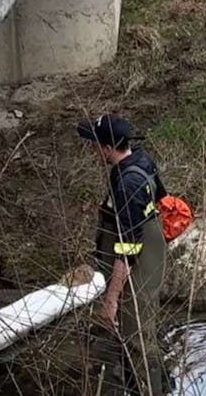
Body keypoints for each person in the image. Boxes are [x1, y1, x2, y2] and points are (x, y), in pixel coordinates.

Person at [79, 114, 168, 396]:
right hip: (150, 249)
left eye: (94, 144)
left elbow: (127, 250)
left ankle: (149, 391)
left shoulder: (127, 184)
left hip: (139, 261)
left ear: (107, 148)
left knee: (137, 337)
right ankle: (159, 385)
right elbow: (161, 198)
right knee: (145, 332)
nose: (92, 149)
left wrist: (112, 300)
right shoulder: (140, 161)